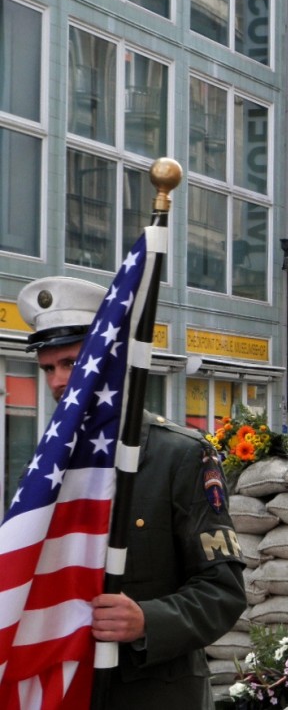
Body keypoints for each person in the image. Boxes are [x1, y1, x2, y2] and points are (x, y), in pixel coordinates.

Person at [17, 276, 246, 709]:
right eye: (48, 368)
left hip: (152, 692)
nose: (57, 382)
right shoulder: (50, 464)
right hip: (67, 685)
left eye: (71, 363)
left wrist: (147, 620)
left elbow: (224, 591)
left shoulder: (180, 456)